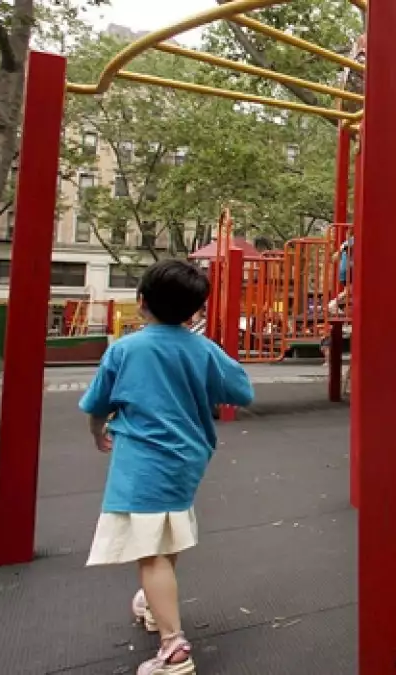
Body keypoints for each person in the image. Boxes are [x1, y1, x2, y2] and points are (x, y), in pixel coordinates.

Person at [81, 259, 255, 675]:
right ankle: (152, 603)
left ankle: (173, 647)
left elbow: (98, 404)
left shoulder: (125, 349)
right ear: (196, 310)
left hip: (142, 461)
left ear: (141, 302)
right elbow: (242, 390)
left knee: (150, 550)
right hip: (187, 458)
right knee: (165, 532)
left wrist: (96, 431)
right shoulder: (203, 348)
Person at [328, 235, 354, 315]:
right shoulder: (354, 240)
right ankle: (332, 304)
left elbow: (335, 256)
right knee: (349, 291)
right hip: (349, 270)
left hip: (345, 270)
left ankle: (333, 304)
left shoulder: (348, 241)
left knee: (348, 291)